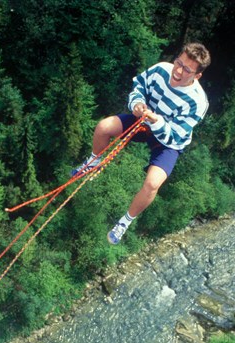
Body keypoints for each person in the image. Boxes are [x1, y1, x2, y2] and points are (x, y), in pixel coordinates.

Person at [71, 42, 211, 244]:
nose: (178, 71)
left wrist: (157, 121)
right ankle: (93, 163)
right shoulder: (161, 70)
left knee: (153, 183)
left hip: (168, 139)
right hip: (143, 119)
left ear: (197, 76)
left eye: (186, 69)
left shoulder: (197, 103)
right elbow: (138, 87)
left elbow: (174, 136)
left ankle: (124, 222)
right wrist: (136, 104)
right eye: (178, 63)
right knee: (103, 127)